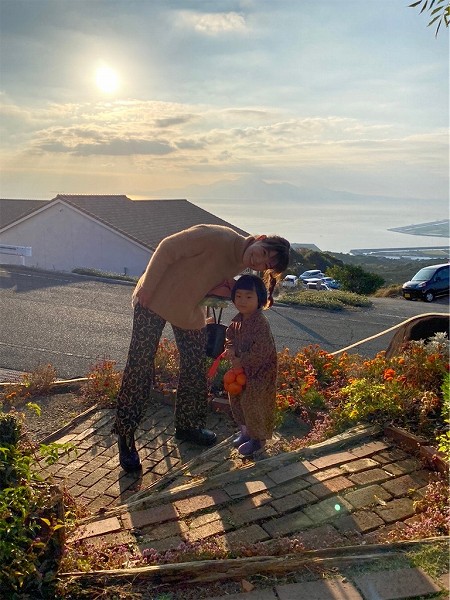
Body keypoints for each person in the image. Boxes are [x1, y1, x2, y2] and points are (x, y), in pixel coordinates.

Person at [113, 224, 290, 471]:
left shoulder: (240, 264)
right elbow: (167, 247)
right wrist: (148, 285)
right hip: (153, 297)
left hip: (187, 309)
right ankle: (126, 436)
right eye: (263, 253)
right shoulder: (218, 236)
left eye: (266, 264)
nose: (259, 261)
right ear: (259, 239)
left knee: (196, 365)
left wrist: (216, 296)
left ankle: (188, 426)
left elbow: (202, 278)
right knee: (140, 366)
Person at [223, 274, 278, 457]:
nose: (242, 301)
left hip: (259, 375)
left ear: (260, 299)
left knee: (253, 404)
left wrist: (242, 360)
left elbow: (262, 352)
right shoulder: (237, 320)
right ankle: (245, 433)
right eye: (238, 296)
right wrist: (230, 348)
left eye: (248, 297)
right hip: (241, 371)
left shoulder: (260, 323)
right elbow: (229, 336)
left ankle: (257, 440)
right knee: (237, 400)